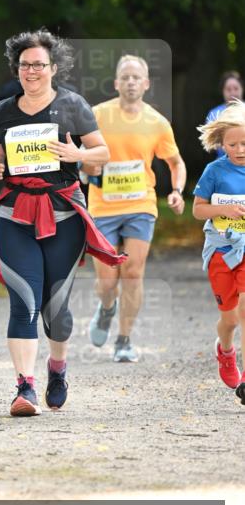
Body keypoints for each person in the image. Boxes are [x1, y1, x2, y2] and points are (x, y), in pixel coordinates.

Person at [0, 29, 125, 417]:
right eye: (25, 65)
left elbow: (101, 153)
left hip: (63, 213)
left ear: (53, 68)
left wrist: (76, 151)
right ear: (17, 68)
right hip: (15, 214)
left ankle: (57, 367)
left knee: (55, 310)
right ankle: (24, 386)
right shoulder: (3, 109)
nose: (32, 71)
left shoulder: (73, 104)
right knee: (23, 301)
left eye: (39, 65)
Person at [83, 55, 186, 362]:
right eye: (125, 77)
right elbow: (80, 154)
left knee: (133, 271)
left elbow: (175, 163)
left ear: (146, 84)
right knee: (106, 282)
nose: (130, 82)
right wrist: (86, 167)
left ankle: (124, 340)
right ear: (116, 83)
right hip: (102, 205)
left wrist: (178, 190)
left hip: (141, 204)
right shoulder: (97, 115)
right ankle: (106, 307)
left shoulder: (157, 122)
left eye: (135, 77)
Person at [193, 100, 245, 403]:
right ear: (221, 144)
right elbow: (198, 211)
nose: (239, 149)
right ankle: (225, 351)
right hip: (221, 251)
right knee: (230, 318)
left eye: (244, 143)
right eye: (233, 144)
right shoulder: (215, 171)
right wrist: (224, 208)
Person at [205, 71, 244, 158]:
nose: (233, 93)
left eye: (236, 88)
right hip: (223, 166)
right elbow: (210, 143)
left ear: (242, 89)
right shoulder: (214, 114)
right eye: (228, 89)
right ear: (223, 91)